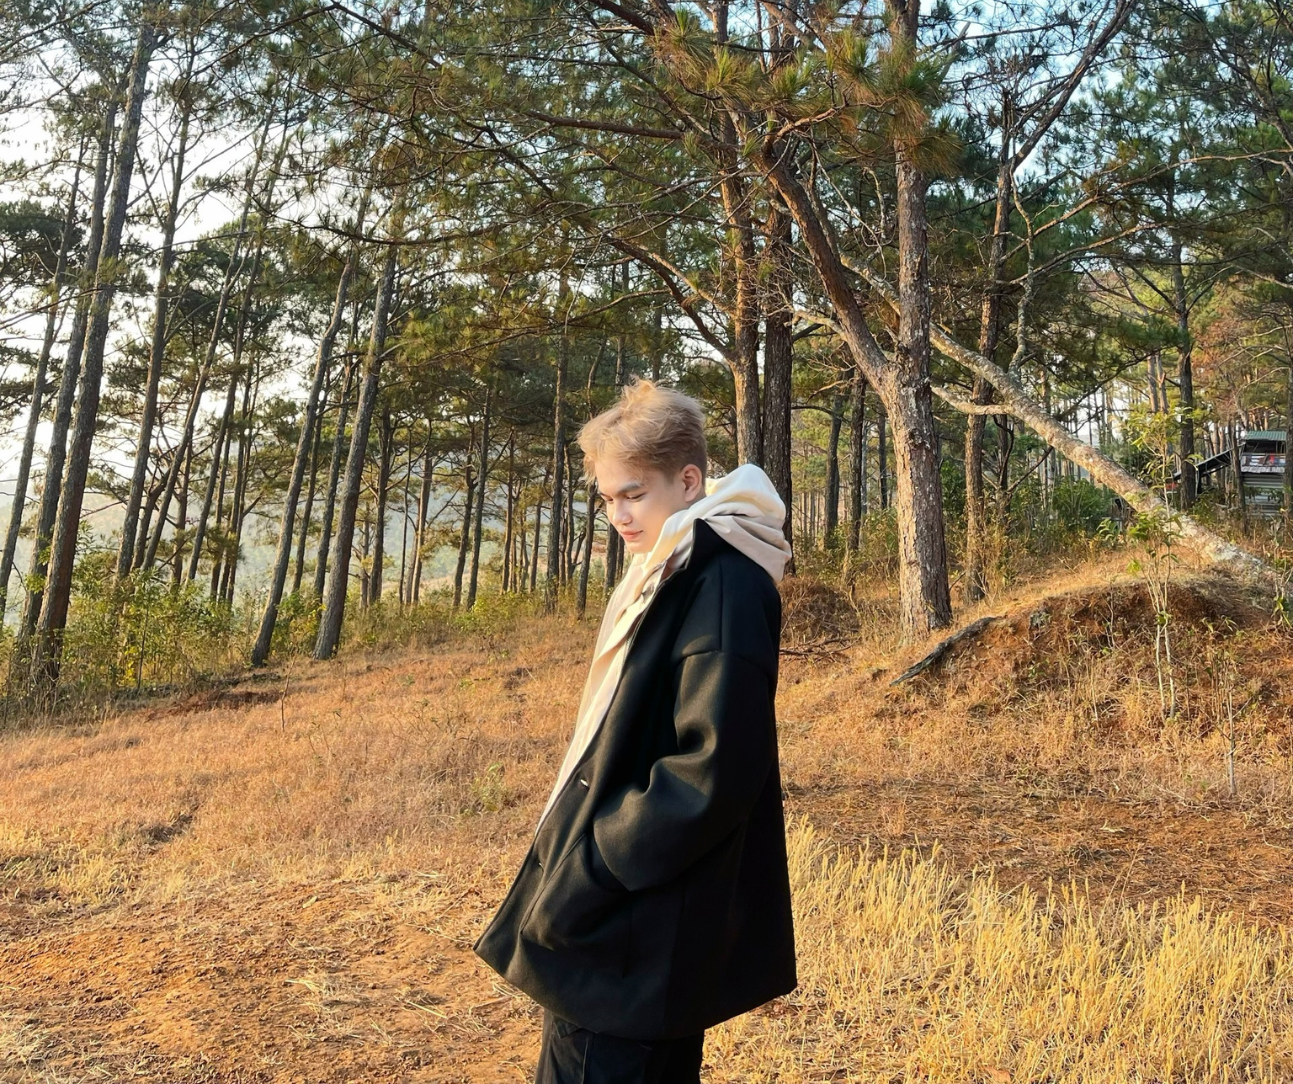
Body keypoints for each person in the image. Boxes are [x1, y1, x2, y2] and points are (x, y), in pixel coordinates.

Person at [473, 377, 797, 1084]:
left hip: (633, 926)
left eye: (633, 494)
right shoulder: (675, 564)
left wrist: (593, 867)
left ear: (688, 482)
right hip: (637, 927)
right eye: (607, 498)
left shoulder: (722, 583)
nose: (617, 515)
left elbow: (713, 769)